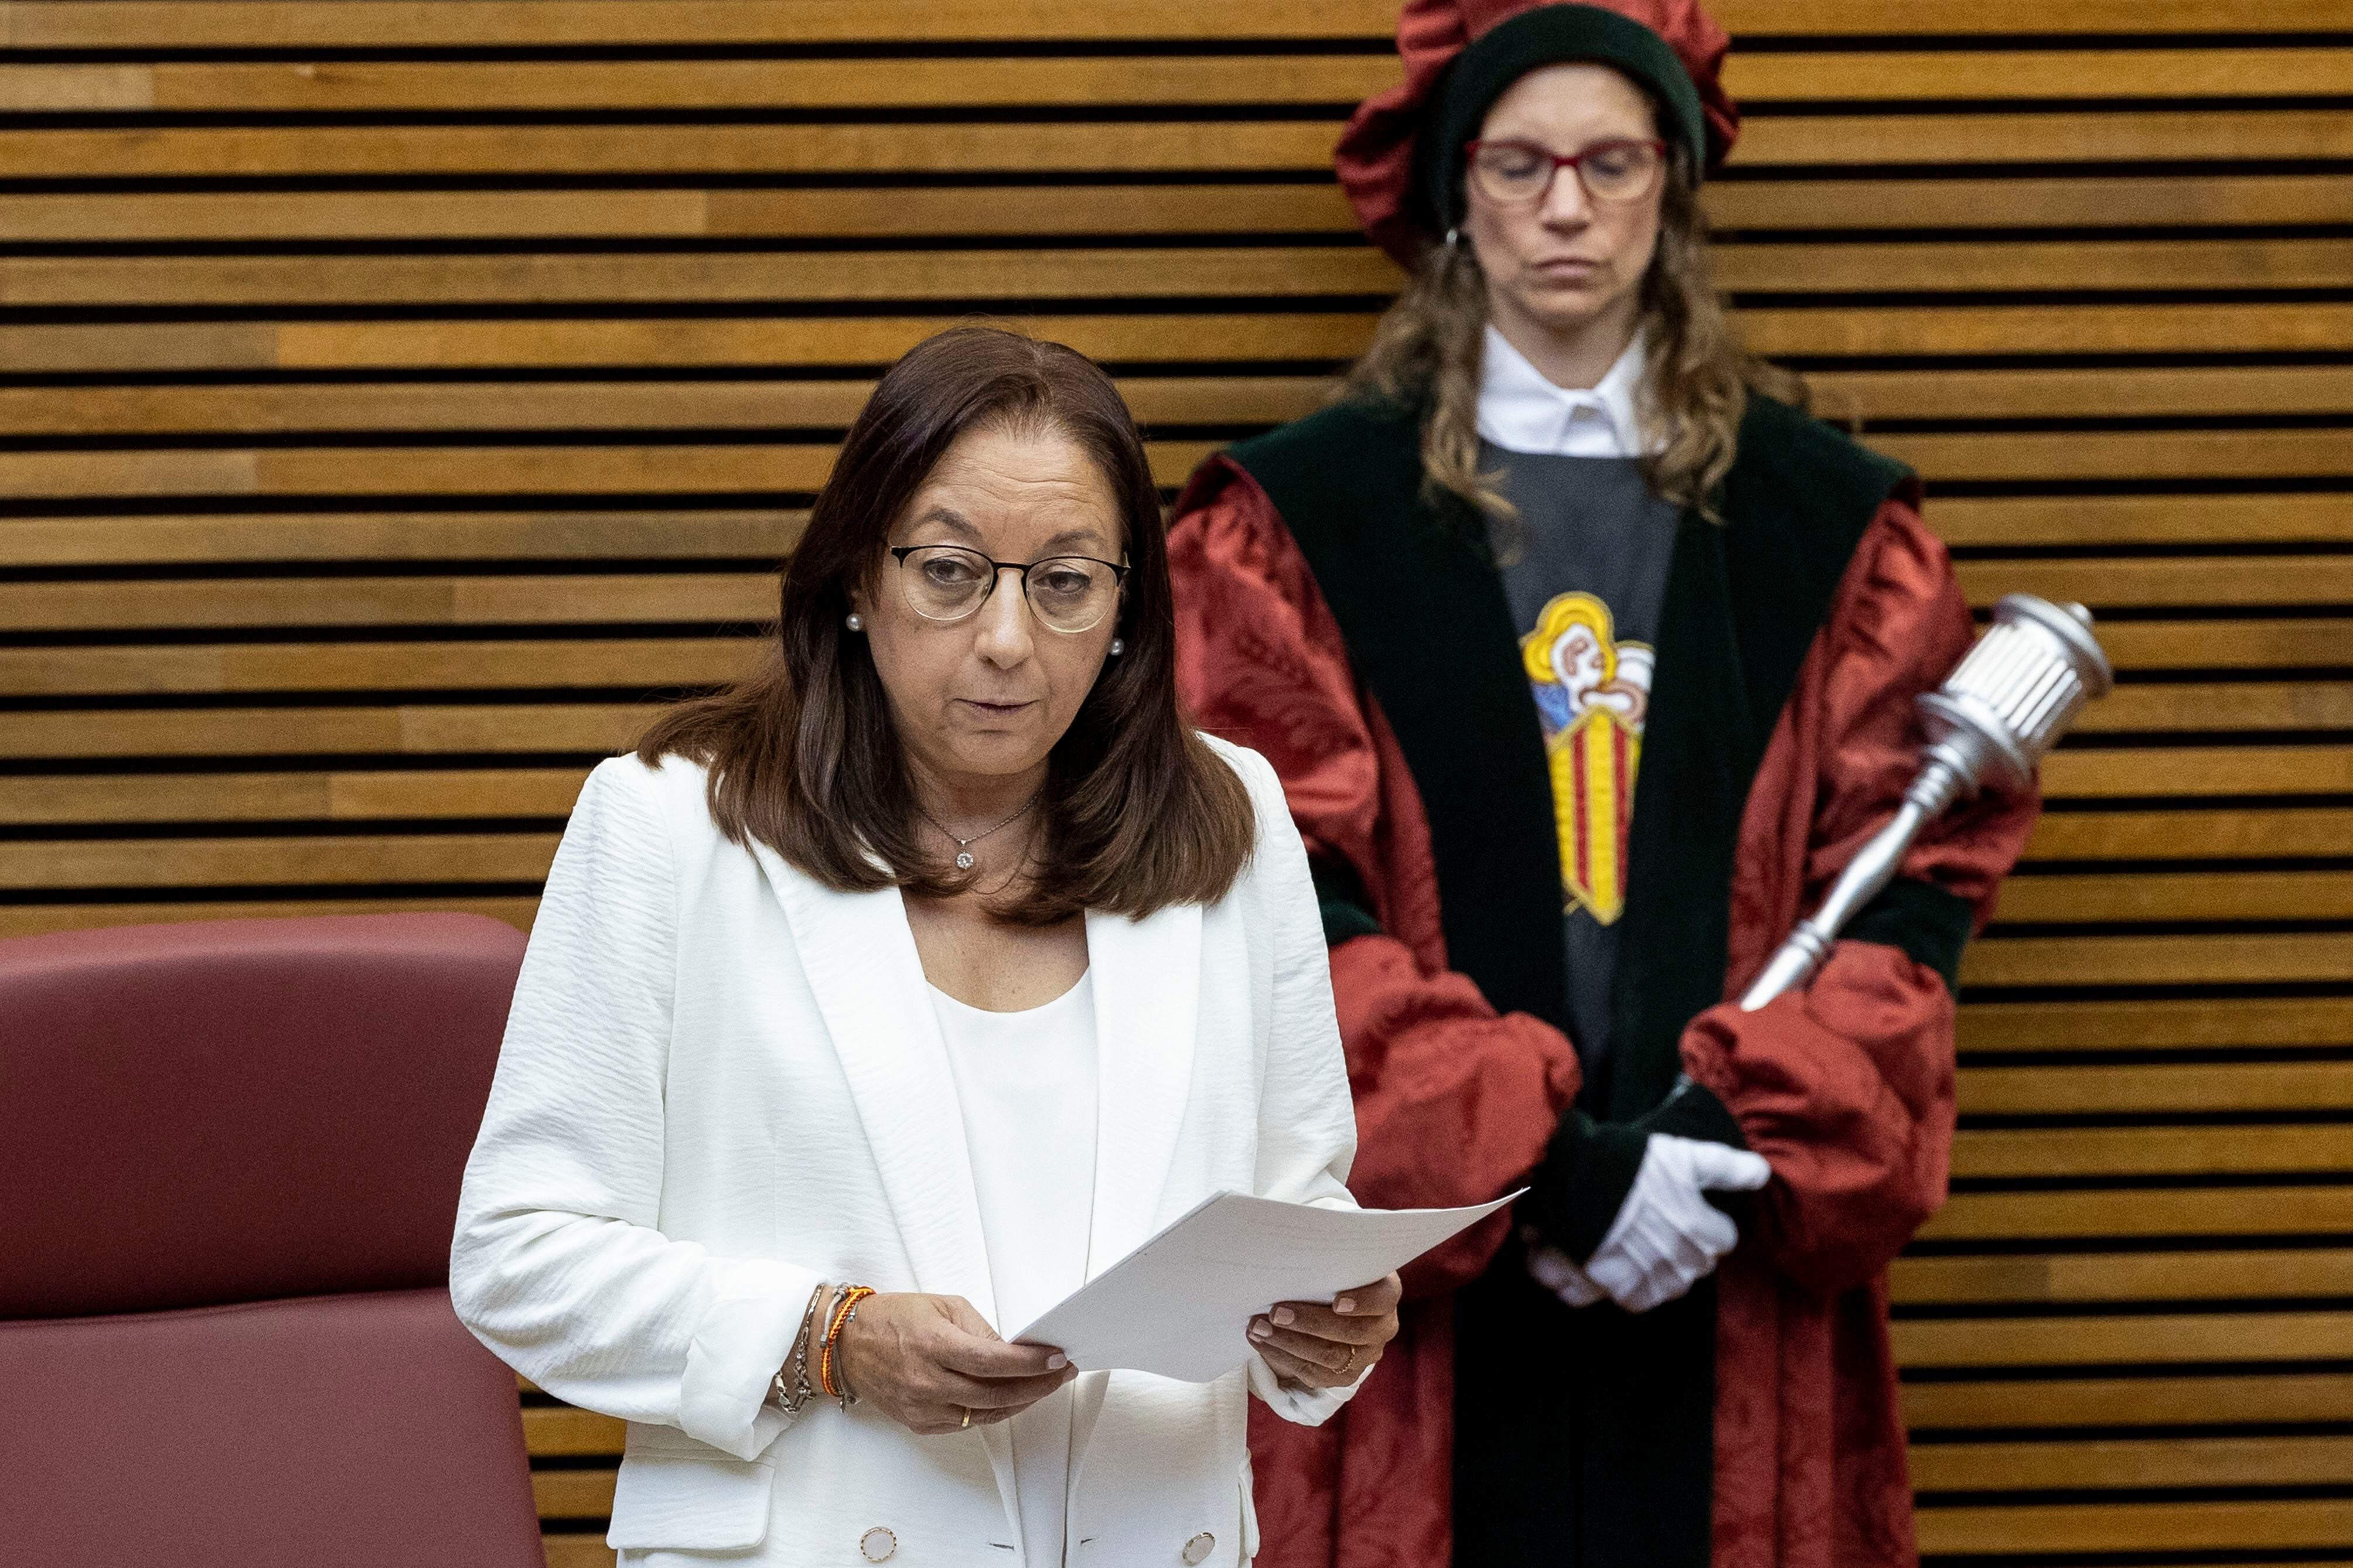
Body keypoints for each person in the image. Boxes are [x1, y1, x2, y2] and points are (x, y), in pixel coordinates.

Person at [1165, 4, 2041, 1567]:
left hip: (1726, 1247)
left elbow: (1910, 899)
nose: (1565, 206)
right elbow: (1277, 896)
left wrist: (1707, 1145)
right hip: (1420, 1300)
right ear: (1456, 194)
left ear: (1674, 186)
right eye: (1518, 162)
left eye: (1612, 160)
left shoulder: (1828, 533)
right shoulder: (1299, 526)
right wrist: (1553, 1168)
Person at [451, 326, 1401, 1567]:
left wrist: (1324, 1318)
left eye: (1063, 582)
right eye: (951, 572)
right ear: (857, 578)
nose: (1008, 638)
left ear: (1125, 608)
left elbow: (1296, 1197)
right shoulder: (671, 823)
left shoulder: (1232, 818)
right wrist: (824, 1337)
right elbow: (519, 1253)